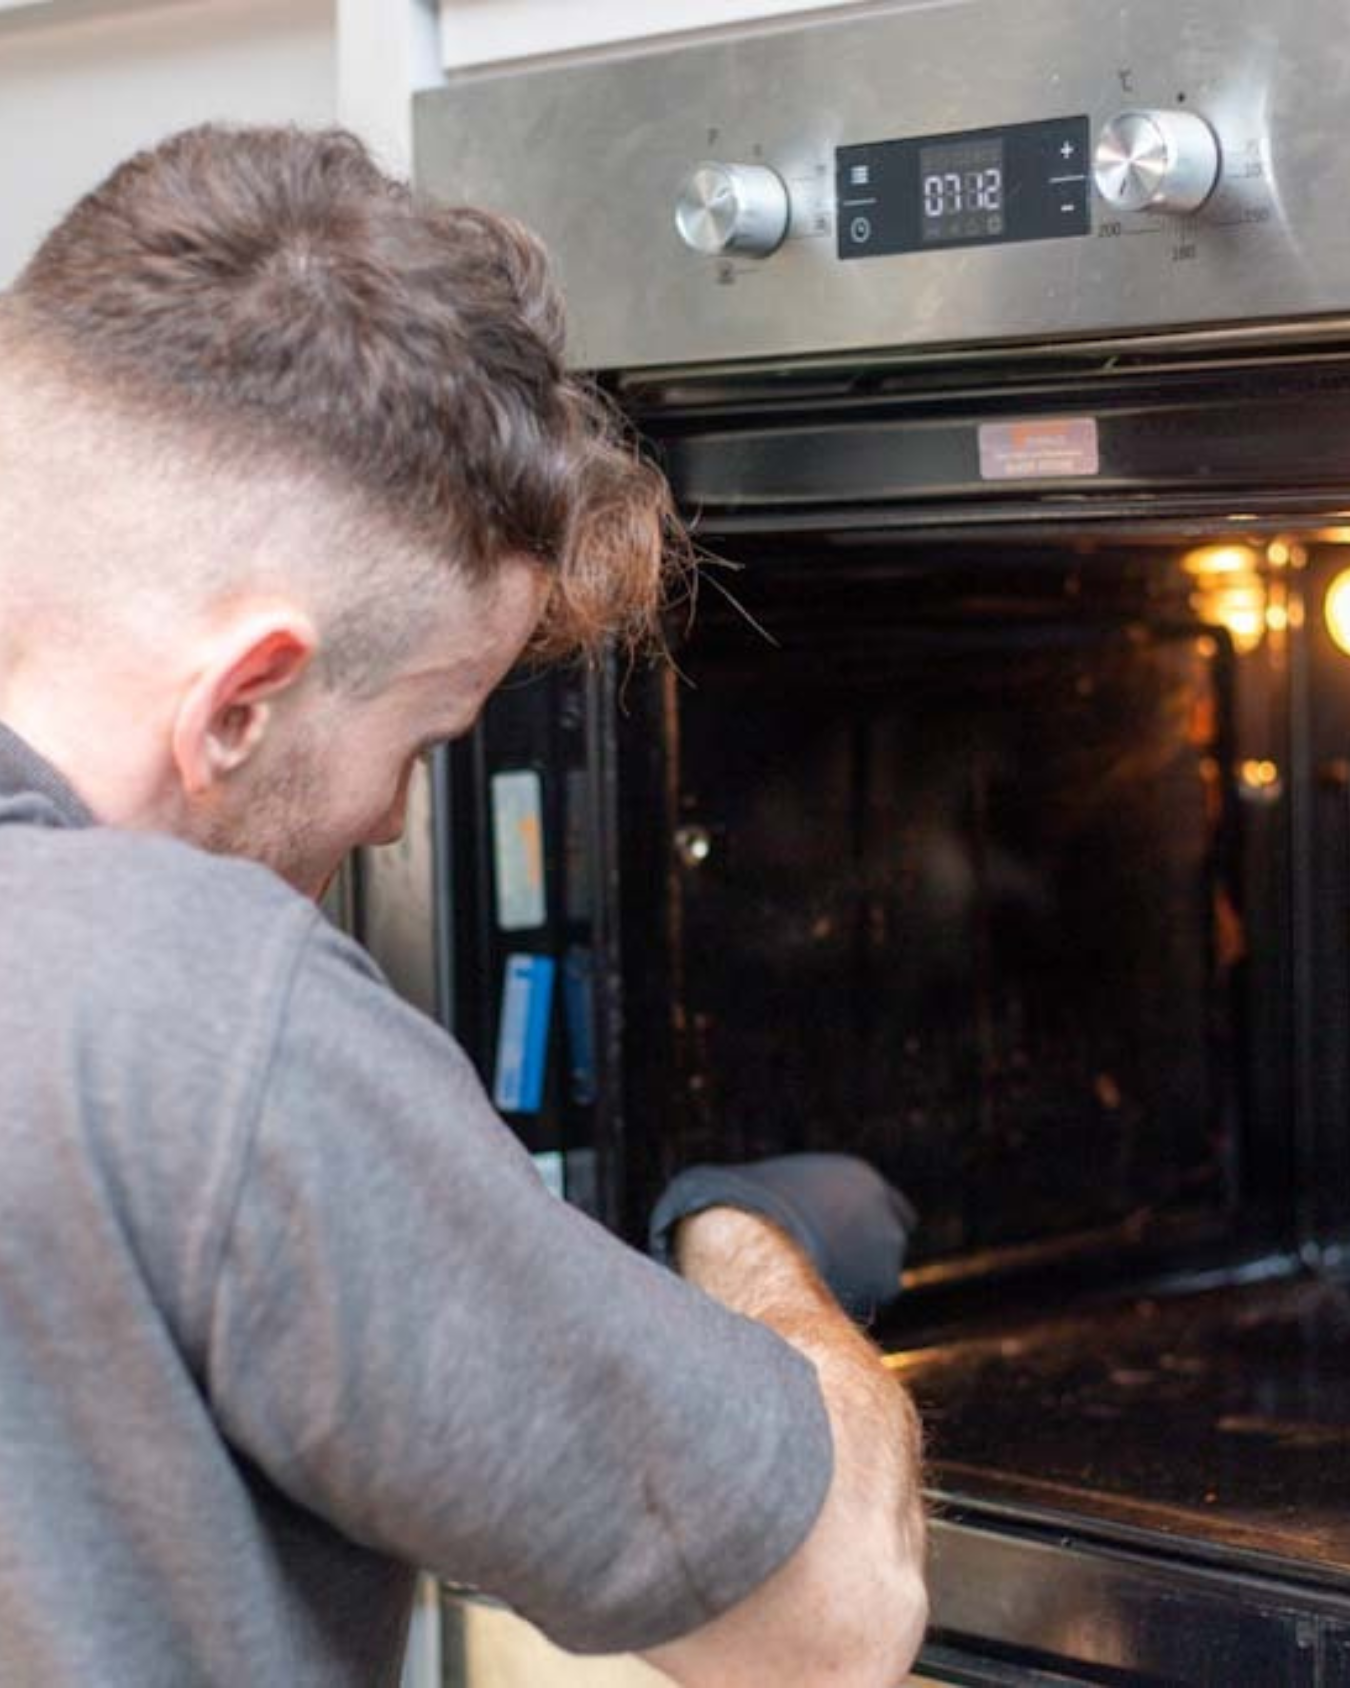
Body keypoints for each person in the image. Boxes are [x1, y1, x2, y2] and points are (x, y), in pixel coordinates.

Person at [0, 125, 926, 1687]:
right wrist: (752, 1247)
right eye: (426, 741)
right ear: (241, 700)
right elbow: (832, 1622)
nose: (396, 817)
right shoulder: (187, 1009)